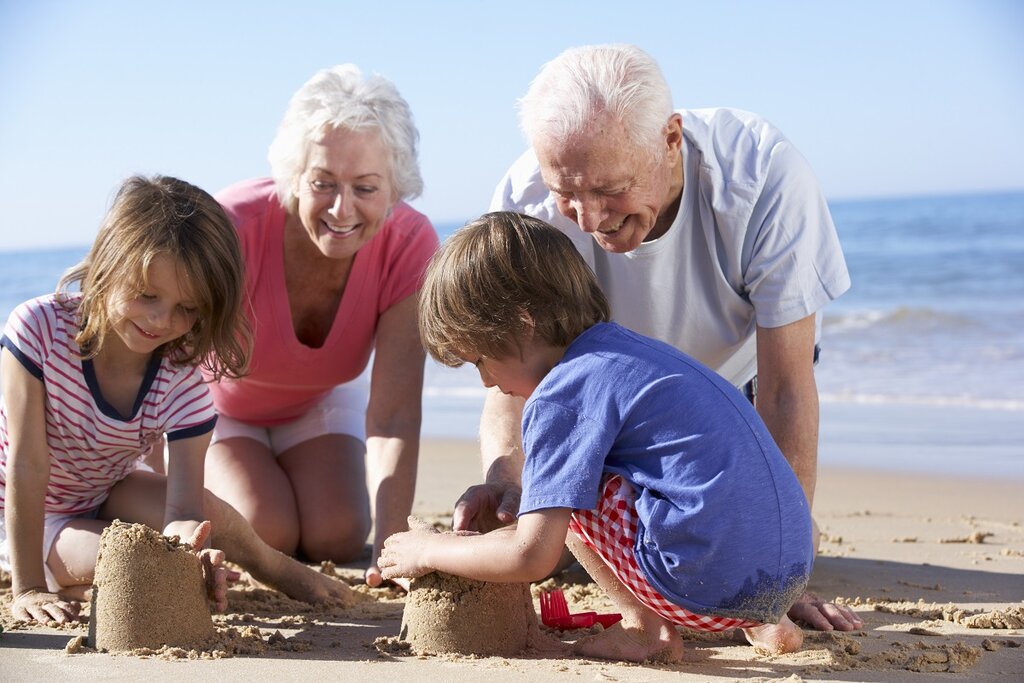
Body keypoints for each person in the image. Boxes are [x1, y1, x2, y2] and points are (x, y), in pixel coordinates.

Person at [460, 44, 859, 631]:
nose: (589, 219)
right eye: (568, 193)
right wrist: (504, 479)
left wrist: (780, 585)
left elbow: (786, 389)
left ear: (671, 139)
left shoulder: (763, 174)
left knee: (768, 553)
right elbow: (512, 376)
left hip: (737, 395)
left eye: (609, 189)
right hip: (612, 403)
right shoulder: (528, 203)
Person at [380, 212, 812, 663]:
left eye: (480, 360)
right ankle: (767, 624)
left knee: (569, 488)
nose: (487, 381)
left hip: (702, 583)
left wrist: (431, 549)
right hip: (785, 576)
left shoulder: (562, 393)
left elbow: (530, 555)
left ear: (523, 325)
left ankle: (647, 631)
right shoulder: (629, 352)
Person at [0, 175, 353, 625]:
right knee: (129, 563)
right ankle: (49, 575)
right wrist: (26, 588)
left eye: (187, 309)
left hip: (109, 490)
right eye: (147, 295)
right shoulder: (39, 330)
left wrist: (188, 550)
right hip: (28, 510)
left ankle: (273, 564)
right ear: (107, 264)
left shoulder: (180, 377)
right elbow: (26, 466)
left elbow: (184, 510)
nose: (161, 321)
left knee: (204, 519)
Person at [204, 64, 438, 588]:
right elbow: (164, 361)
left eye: (366, 188)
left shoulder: (410, 245)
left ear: (396, 186)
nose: (341, 209)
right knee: (267, 530)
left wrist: (392, 550)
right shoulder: (232, 225)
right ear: (294, 176)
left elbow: (394, 412)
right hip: (217, 408)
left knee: (339, 533)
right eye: (323, 183)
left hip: (316, 402)